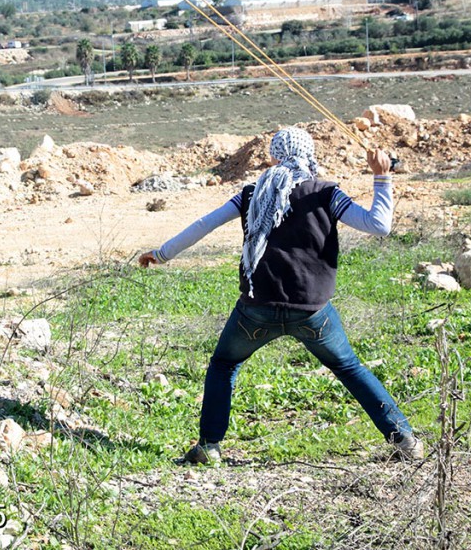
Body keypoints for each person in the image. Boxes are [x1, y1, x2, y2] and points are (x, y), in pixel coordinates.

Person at [138, 127, 423, 465]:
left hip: (256, 309)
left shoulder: (251, 193)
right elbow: (379, 225)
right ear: (309, 154)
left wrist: (162, 253)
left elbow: (204, 224)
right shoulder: (326, 193)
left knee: (224, 365)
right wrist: (381, 177)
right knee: (348, 367)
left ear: (275, 156)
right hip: (312, 310)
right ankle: (403, 440)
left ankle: (210, 447)